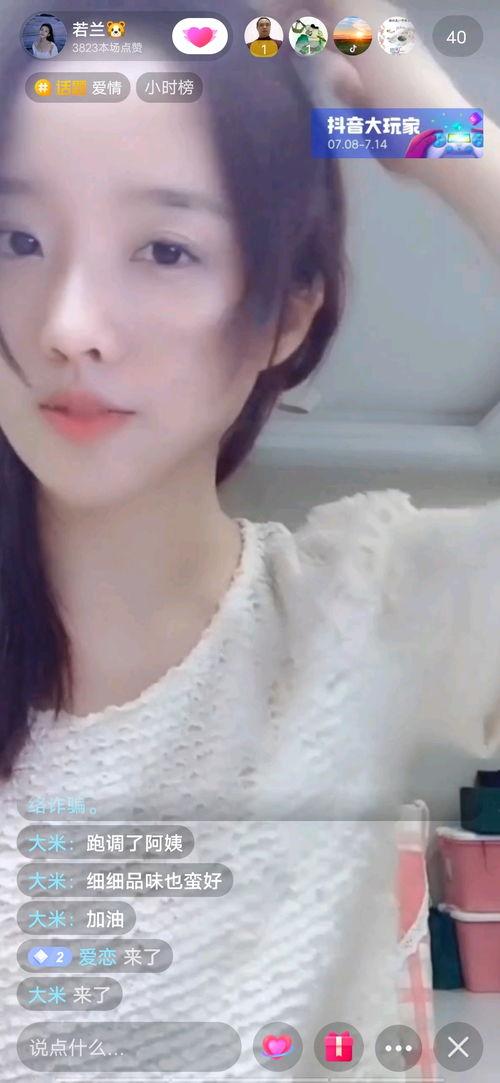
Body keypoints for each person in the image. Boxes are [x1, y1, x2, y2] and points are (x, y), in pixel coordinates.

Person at [1, 0, 500, 1077]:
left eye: (164, 248)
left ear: (287, 313)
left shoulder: (365, 614)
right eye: (19, 240)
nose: (67, 324)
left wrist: (445, 135)